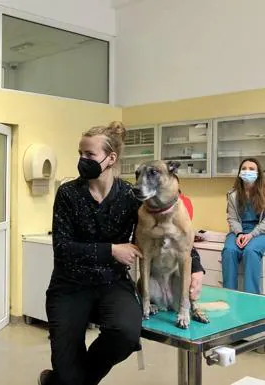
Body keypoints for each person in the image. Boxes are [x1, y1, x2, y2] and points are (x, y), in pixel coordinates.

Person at [37, 122, 204, 385]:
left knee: (126, 335)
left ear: (110, 158)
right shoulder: (68, 193)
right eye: (80, 153)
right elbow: (62, 247)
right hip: (70, 285)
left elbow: (172, 230)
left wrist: (196, 266)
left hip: (112, 283)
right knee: (67, 367)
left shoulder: (130, 195)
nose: (82, 160)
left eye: (89, 155)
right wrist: (111, 250)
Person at [222, 158, 265, 294]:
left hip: (260, 232)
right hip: (238, 231)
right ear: (239, 173)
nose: (247, 171)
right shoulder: (233, 195)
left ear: (258, 173)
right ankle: (229, 295)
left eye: (252, 169)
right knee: (229, 250)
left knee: (250, 251)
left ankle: (251, 298)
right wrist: (240, 234)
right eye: (244, 168)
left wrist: (251, 235)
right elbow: (232, 218)